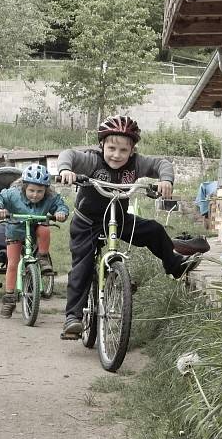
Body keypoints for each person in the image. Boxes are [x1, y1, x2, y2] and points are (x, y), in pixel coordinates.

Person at [57, 115, 200, 338]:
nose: (116, 155)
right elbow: (69, 155)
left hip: (118, 218)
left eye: (123, 150)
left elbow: (161, 163)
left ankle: (174, 265)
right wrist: (66, 170)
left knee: (154, 230)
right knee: (82, 267)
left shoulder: (137, 164)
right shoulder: (92, 161)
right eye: (111, 148)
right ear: (102, 144)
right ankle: (73, 318)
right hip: (87, 222)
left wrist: (166, 180)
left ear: (132, 150)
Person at [0, 164, 69, 317]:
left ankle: (43, 258)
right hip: (15, 229)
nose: (35, 195)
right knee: (12, 264)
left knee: (45, 228)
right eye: (31, 190)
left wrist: (60, 212)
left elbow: (61, 205)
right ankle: (10, 298)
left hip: (36, 228)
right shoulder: (13, 194)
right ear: (24, 187)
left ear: (46, 190)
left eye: (40, 191)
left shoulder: (50, 198)